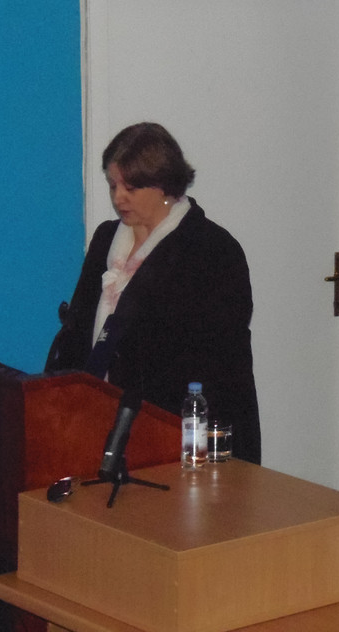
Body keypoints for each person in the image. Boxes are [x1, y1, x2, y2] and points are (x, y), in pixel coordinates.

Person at [46, 122, 261, 464]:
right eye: (113, 185)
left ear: (163, 184)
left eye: (130, 187)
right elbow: (81, 328)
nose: (118, 197)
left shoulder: (213, 250)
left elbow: (215, 363)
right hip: (97, 422)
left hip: (175, 431)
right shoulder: (105, 239)